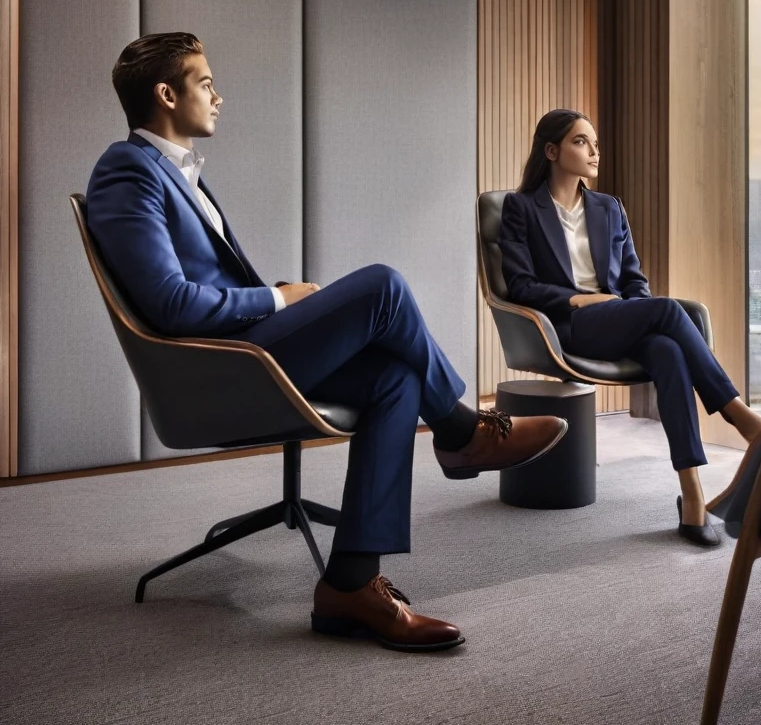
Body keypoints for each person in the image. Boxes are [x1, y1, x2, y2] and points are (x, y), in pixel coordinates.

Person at [86, 32, 567, 652]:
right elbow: (170, 304)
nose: (218, 96)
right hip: (215, 373)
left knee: (395, 377)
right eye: (205, 83)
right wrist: (277, 300)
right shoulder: (127, 171)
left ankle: (350, 584)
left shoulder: (177, 174)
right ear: (165, 94)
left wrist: (276, 296)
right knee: (384, 288)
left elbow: (196, 288)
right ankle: (461, 431)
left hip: (242, 349)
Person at [499, 108, 761, 548]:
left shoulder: (609, 208)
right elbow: (520, 286)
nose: (594, 151)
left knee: (666, 348)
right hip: (568, 326)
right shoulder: (521, 208)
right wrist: (579, 299)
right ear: (552, 151)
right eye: (581, 142)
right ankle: (737, 414)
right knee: (663, 311)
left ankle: (693, 494)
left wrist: (635, 318)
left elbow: (633, 281)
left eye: (594, 142)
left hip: (619, 319)